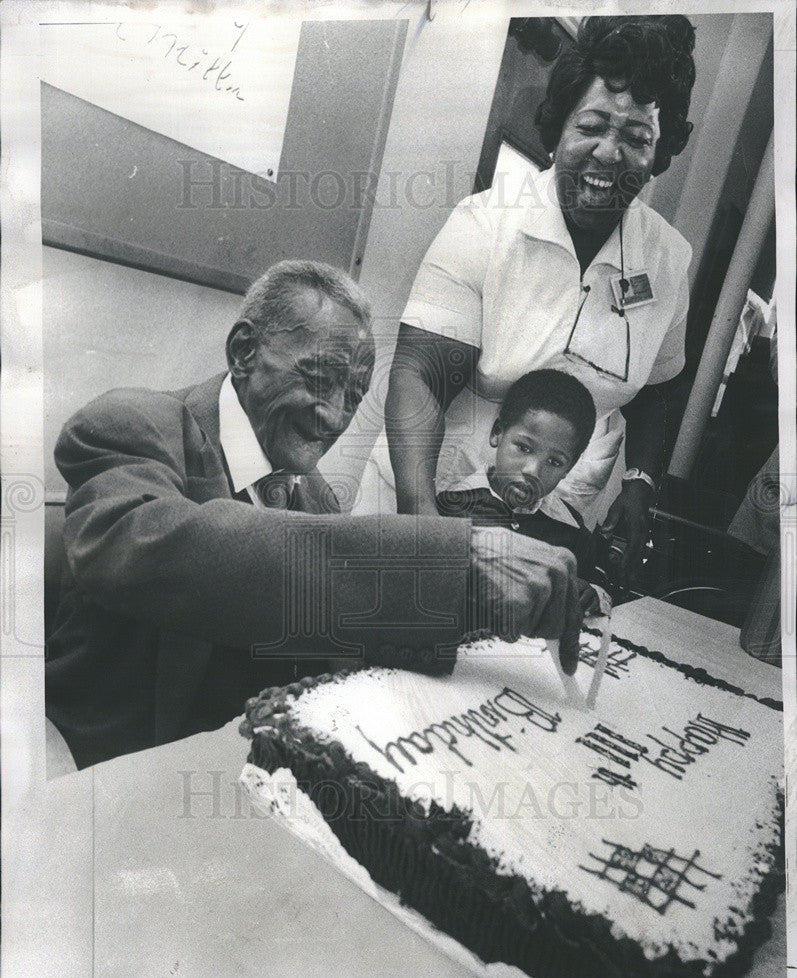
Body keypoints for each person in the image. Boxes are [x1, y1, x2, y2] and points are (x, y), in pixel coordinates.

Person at [46, 260, 583, 769]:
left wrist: (464, 621)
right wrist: (444, 567)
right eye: (320, 379)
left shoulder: (317, 498)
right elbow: (144, 547)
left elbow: (329, 640)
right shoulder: (134, 423)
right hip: (114, 778)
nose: (334, 417)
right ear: (244, 350)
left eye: (353, 397)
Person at [358, 15, 696, 589]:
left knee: (517, 658)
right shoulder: (486, 223)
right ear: (560, 125)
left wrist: (640, 481)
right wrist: (424, 523)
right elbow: (419, 376)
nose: (609, 154)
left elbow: (659, 388)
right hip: (439, 482)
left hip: (564, 508)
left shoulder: (669, 260)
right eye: (591, 126)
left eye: (638, 138)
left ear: (660, 153)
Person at [436, 369, 609, 618]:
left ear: (569, 467)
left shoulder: (571, 530)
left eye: (555, 461)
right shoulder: (450, 508)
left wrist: (590, 593)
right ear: (497, 433)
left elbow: (595, 588)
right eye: (524, 448)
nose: (533, 470)